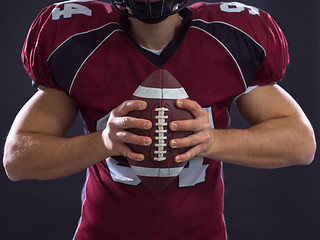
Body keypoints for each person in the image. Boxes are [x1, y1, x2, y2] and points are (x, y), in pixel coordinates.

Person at [3, 0, 316, 239]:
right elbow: (17, 159)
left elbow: (301, 144)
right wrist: (101, 142)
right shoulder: (79, 42)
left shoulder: (230, 40)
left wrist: (213, 139)